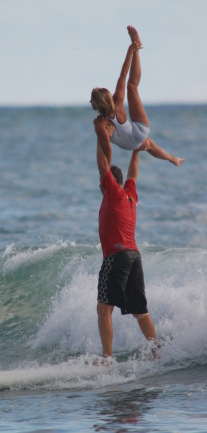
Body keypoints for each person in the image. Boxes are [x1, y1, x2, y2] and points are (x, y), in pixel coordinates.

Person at [94, 117, 157, 358]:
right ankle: (156, 353)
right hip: (134, 255)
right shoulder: (130, 195)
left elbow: (102, 164)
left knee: (103, 309)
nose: (101, 183)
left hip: (117, 255)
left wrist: (102, 137)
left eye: (103, 181)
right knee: (140, 310)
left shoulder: (113, 192)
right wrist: (136, 152)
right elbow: (133, 176)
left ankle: (107, 360)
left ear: (109, 182)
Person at [90, 26, 184, 167]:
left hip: (130, 145)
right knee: (132, 87)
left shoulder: (100, 123)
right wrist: (130, 51)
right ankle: (136, 47)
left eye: (92, 99)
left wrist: (106, 174)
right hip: (139, 132)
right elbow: (123, 74)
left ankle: (173, 159)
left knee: (149, 144)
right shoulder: (117, 103)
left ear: (98, 104)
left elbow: (107, 150)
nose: (89, 101)